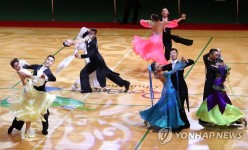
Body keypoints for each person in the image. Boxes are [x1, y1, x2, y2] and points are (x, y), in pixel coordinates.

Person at [65, 28, 130, 93]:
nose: (90, 35)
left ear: (94, 35)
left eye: (92, 34)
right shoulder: (89, 39)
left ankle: (125, 83)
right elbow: (84, 39)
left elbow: (90, 54)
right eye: (90, 33)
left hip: (98, 62)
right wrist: (78, 44)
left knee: (108, 74)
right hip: (93, 61)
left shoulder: (92, 43)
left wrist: (79, 56)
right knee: (84, 72)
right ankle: (86, 89)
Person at [8, 55, 56, 135]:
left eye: (51, 61)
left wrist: (46, 77)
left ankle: (45, 129)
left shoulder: (49, 72)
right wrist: (19, 65)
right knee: (26, 110)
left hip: (41, 94)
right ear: (45, 59)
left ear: (52, 63)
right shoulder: (37, 66)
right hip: (31, 92)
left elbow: (54, 79)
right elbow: (27, 66)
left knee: (44, 112)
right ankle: (14, 125)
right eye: (48, 59)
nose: (49, 61)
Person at [196, 54, 247, 127]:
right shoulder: (224, 68)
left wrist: (217, 58)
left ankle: (240, 117)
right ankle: (209, 119)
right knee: (209, 103)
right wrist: (219, 55)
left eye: (218, 63)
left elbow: (213, 65)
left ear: (221, 64)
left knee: (223, 106)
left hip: (218, 92)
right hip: (218, 91)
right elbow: (226, 67)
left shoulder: (220, 69)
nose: (216, 64)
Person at [140, 62, 186, 131]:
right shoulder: (163, 73)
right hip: (170, 91)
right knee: (169, 108)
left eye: (160, 65)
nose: (161, 67)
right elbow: (174, 71)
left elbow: (150, 68)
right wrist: (181, 64)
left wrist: (150, 67)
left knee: (160, 106)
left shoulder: (156, 75)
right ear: (155, 70)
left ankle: (149, 118)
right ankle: (171, 123)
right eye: (158, 67)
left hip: (165, 90)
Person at [162, 48, 194, 129]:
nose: (172, 54)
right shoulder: (169, 66)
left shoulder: (181, 63)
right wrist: (151, 67)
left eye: (174, 53)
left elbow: (191, 61)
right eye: (171, 53)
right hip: (174, 90)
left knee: (180, 106)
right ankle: (179, 122)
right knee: (176, 106)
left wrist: (185, 60)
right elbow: (159, 68)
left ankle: (186, 123)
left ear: (177, 54)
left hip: (181, 88)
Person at [62, 27, 100, 91]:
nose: (69, 43)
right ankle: (76, 84)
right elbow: (76, 51)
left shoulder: (79, 36)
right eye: (68, 44)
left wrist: (88, 31)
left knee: (92, 71)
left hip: (92, 51)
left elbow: (83, 28)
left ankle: (91, 84)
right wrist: (76, 54)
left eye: (67, 41)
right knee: (89, 71)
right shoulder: (76, 47)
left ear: (68, 39)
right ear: (69, 46)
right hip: (88, 56)